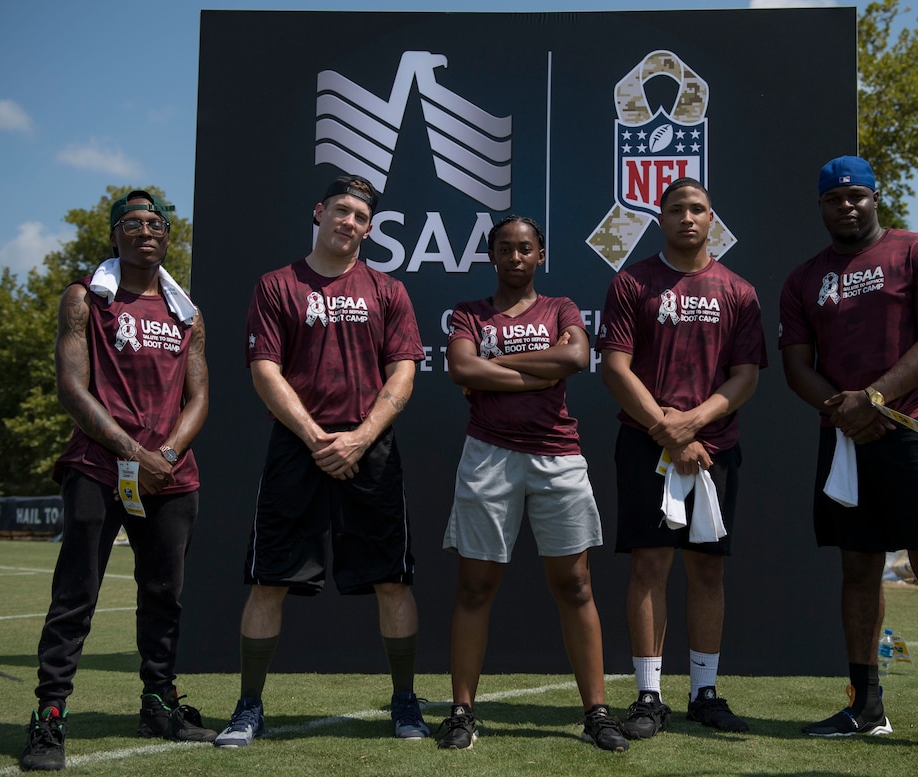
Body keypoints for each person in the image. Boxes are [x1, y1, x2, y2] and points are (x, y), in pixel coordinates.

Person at [778, 155, 918, 765]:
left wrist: (874, 398)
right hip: (847, 436)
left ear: (875, 197)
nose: (845, 205)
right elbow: (796, 364)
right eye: (833, 198)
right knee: (858, 567)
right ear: (820, 207)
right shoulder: (803, 279)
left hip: (915, 426)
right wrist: (845, 409)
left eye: (856, 195)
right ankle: (865, 706)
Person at [215, 174, 428, 748]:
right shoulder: (278, 284)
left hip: (371, 449)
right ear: (319, 212)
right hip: (296, 447)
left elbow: (403, 372)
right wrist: (315, 438)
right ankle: (248, 706)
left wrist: (359, 437)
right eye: (341, 210)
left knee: (392, 580)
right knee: (269, 582)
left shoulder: (388, 290)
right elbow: (265, 370)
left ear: (369, 226)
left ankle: (405, 703)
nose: (350, 222)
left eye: (361, 216)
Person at [20, 191, 212, 771]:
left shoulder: (188, 313)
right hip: (99, 466)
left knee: (164, 596)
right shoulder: (84, 298)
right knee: (75, 595)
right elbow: (71, 387)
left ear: (168, 238)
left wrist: (168, 453)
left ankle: (158, 701)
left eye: (156, 223)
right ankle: (49, 715)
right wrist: (134, 452)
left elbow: (200, 396)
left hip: (172, 474)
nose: (146, 230)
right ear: (114, 235)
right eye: (133, 223)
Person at [435, 216, 629, 753]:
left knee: (576, 585)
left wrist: (495, 362)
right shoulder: (469, 313)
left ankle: (596, 712)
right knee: (475, 588)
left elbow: (575, 357)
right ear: (491, 256)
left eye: (525, 248)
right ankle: (461, 712)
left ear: (541, 254)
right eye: (505, 248)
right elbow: (460, 369)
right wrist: (536, 372)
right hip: (488, 455)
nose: (515, 257)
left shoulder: (562, 308)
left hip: (557, 457)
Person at [596, 178, 767, 739]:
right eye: (676, 210)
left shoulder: (738, 290)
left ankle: (704, 692)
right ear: (661, 218)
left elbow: (746, 375)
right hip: (647, 444)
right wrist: (668, 430)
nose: (687, 218)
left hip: (715, 449)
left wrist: (694, 422)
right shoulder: (632, 282)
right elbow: (616, 369)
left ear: (711, 217)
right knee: (649, 566)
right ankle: (648, 697)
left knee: (708, 568)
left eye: (697, 209)